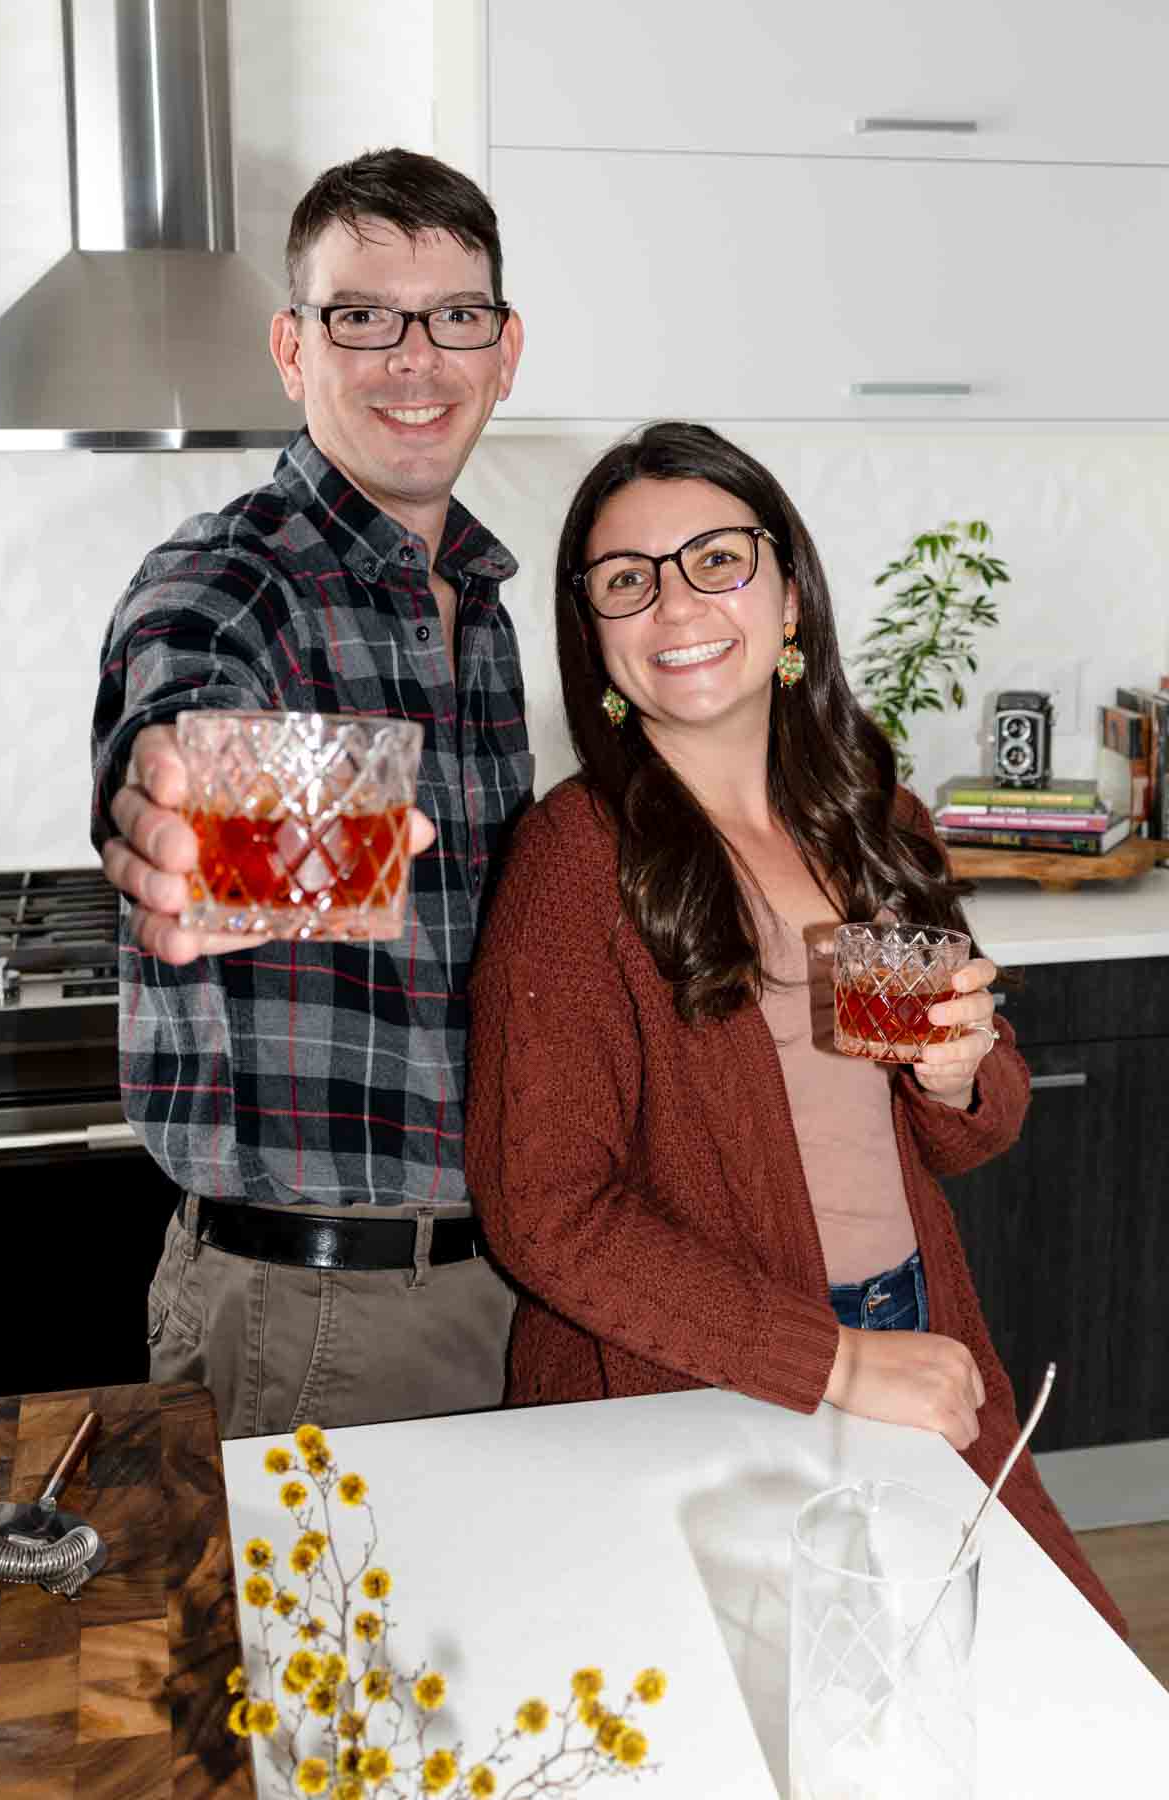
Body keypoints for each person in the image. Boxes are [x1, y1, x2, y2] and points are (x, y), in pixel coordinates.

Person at [465, 420, 1124, 1634]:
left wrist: (956, 1077)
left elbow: (973, 1123)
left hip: (912, 1319)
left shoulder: (871, 814)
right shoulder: (575, 858)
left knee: (1005, 1657)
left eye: (717, 558)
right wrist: (833, 1365)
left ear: (789, 600)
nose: (675, 603)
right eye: (628, 581)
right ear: (597, 641)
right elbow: (543, 1212)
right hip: (693, 1372)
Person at [91, 147, 529, 1440]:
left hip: (500, 1278)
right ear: (294, 349)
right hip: (321, 1312)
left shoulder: (486, 600)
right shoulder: (225, 585)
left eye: (455, 317)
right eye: (362, 319)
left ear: (504, 352)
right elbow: (173, 757)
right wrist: (174, 832)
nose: (414, 360)